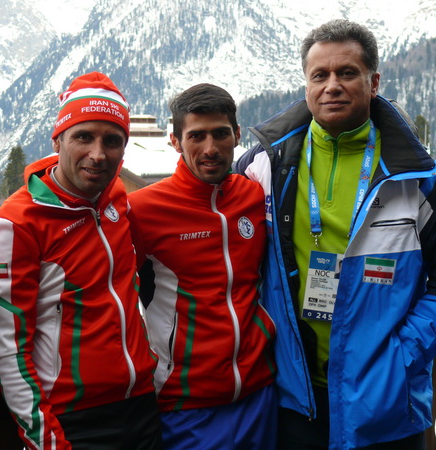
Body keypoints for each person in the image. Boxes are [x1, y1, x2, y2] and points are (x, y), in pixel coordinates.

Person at [235, 19, 436, 449]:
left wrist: (404, 354)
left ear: (373, 82)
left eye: (347, 73)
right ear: (306, 84)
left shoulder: (417, 178)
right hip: (294, 398)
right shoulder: (263, 165)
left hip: (385, 401)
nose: (332, 86)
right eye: (319, 75)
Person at [0, 72, 162, 449]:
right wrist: (45, 438)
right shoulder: (13, 225)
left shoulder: (116, 198)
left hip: (143, 405)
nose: (98, 154)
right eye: (83, 136)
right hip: (73, 421)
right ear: (57, 139)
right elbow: (7, 351)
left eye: (112, 141)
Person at [128, 83, 277, 449]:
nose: (210, 149)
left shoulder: (254, 195)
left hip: (259, 391)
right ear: (175, 141)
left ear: (237, 135)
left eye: (220, 134)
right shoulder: (143, 210)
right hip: (185, 403)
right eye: (196, 136)